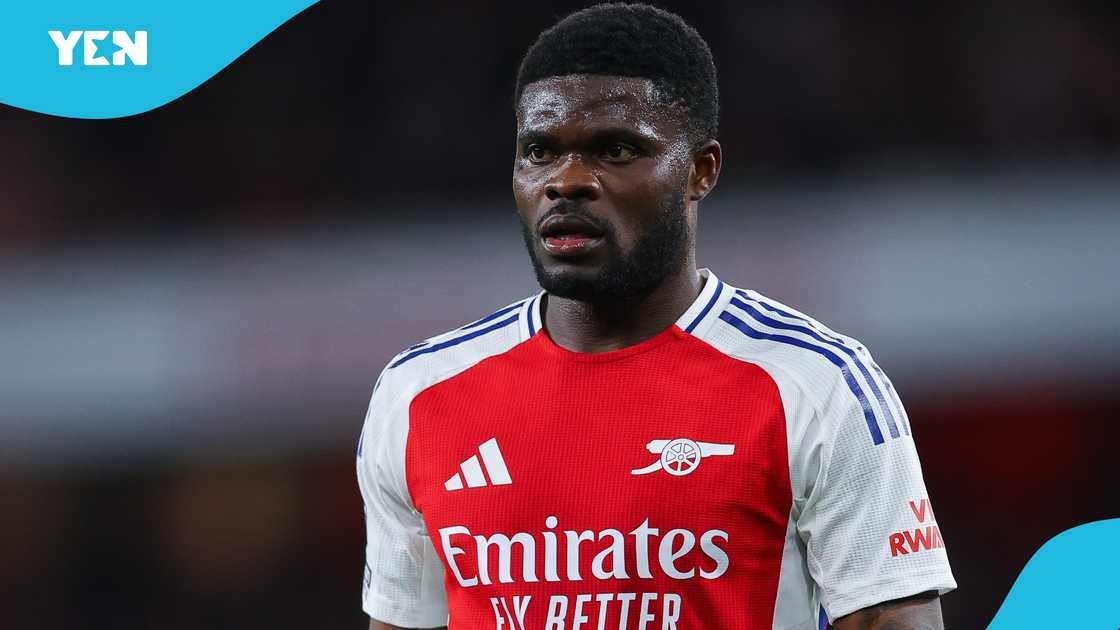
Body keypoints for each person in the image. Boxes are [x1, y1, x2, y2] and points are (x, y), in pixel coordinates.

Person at [356, 4, 956, 629]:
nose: (567, 180)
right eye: (539, 151)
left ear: (701, 171)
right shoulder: (418, 395)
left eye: (614, 149)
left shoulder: (817, 385)